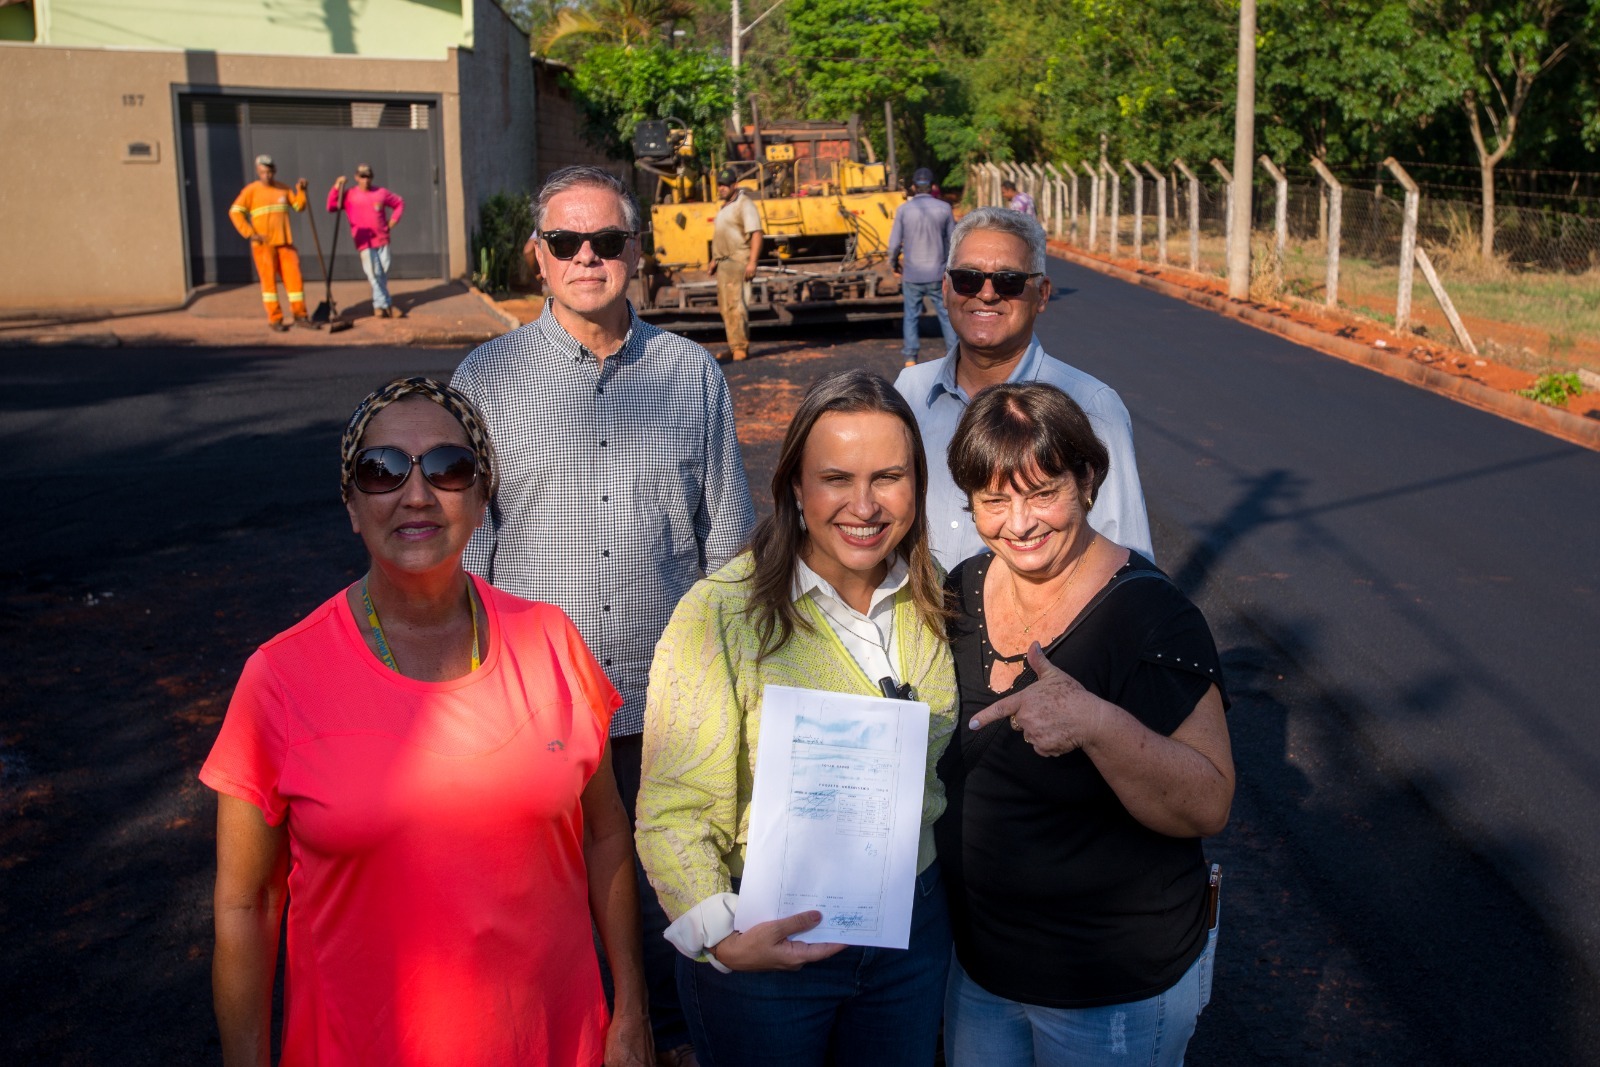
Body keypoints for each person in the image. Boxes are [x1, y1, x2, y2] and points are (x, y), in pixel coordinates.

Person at [201, 376, 652, 1066]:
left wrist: (631, 1012)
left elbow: (605, 834)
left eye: (448, 468)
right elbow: (246, 905)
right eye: (381, 471)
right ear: (352, 505)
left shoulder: (552, 642)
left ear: (479, 499)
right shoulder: (280, 677)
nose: (416, 494)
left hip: (556, 1042)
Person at [452, 164, 755, 1067]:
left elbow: (727, 546)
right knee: (545, 911)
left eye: (608, 241)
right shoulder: (486, 375)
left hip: (665, 709)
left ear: (638, 252)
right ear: (537, 256)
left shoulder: (690, 374)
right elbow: (468, 547)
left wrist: (735, 691)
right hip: (533, 712)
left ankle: (667, 1042)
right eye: (567, 242)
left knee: (675, 904)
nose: (589, 258)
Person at [636, 370, 957, 1067]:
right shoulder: (723, 612)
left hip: (910, 931)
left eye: (890, 476)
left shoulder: (933, 600)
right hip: (768, 942)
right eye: (836, 477)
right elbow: (674, 810)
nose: (864, 504)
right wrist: (721, 935)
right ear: (794, 488)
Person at [937, 381, 1234, 1067]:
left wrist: (1096, 723)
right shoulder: (962, 589)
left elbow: (1209, 800)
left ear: (1088, 480)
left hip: (1112, 989)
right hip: (982, 971)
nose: (1020, 522)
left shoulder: (1152, 618)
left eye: (1043, 491)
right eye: (994, 499)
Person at [893, 206, 1153, 571]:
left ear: (1042, 295)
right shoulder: (910, 391)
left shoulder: (1091, 405)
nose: (986, 294)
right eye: (968, 278)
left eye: (1008, 281)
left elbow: (1126, 558)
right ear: (946, 289)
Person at [228, 154, 310, 332]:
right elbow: (235, 212)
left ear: (274, 171)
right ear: (258, 172)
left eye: (269, 171)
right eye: (263, 172)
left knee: (295, 281)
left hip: (285, 243)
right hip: (264, 246)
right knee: (269, 284)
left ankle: (300, 315)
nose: (267, 175)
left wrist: (301, 191)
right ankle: (275, 319)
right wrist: (250, 233)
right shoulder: (251, 191)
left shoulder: (283, 189)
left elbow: (299, 207)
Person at [889, 166, 957, 368]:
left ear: (913, 187)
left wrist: (893, 264)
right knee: (945, 314)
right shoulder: (944, 209)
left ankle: (910, 358)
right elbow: (954, 241)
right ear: (933, 186)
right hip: (938, 272)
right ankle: (953, 355)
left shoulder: (903, 210)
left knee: (911, 315)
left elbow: (893, 245)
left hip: (912, 273)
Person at [328, 163, 406, 318]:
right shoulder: (350, 195)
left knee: (382, 272)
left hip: (382, 239)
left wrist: (393, 221)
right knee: (374, 273)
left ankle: (381, 305)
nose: (365, 180)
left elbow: (399, 203)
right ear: (357, 177)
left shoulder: (381, 193)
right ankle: (385, 305)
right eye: (362, 177)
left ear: (372, 177)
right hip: (364, 241)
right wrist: (337, 187)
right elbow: (331, 206)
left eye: (368, 176)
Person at [712, 166, 764, 362]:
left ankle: (741, 348)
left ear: (735, 185)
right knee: (726, 307)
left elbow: (757, 233)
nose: (722, 188)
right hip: (723, 263)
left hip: (737, 262)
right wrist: (714, 260)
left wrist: (752, 262)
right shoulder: (726, 206)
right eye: (720, 185)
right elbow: (722, 236)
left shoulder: (745, 204)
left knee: (736, 306)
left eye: (726, 184)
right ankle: (734, 347)